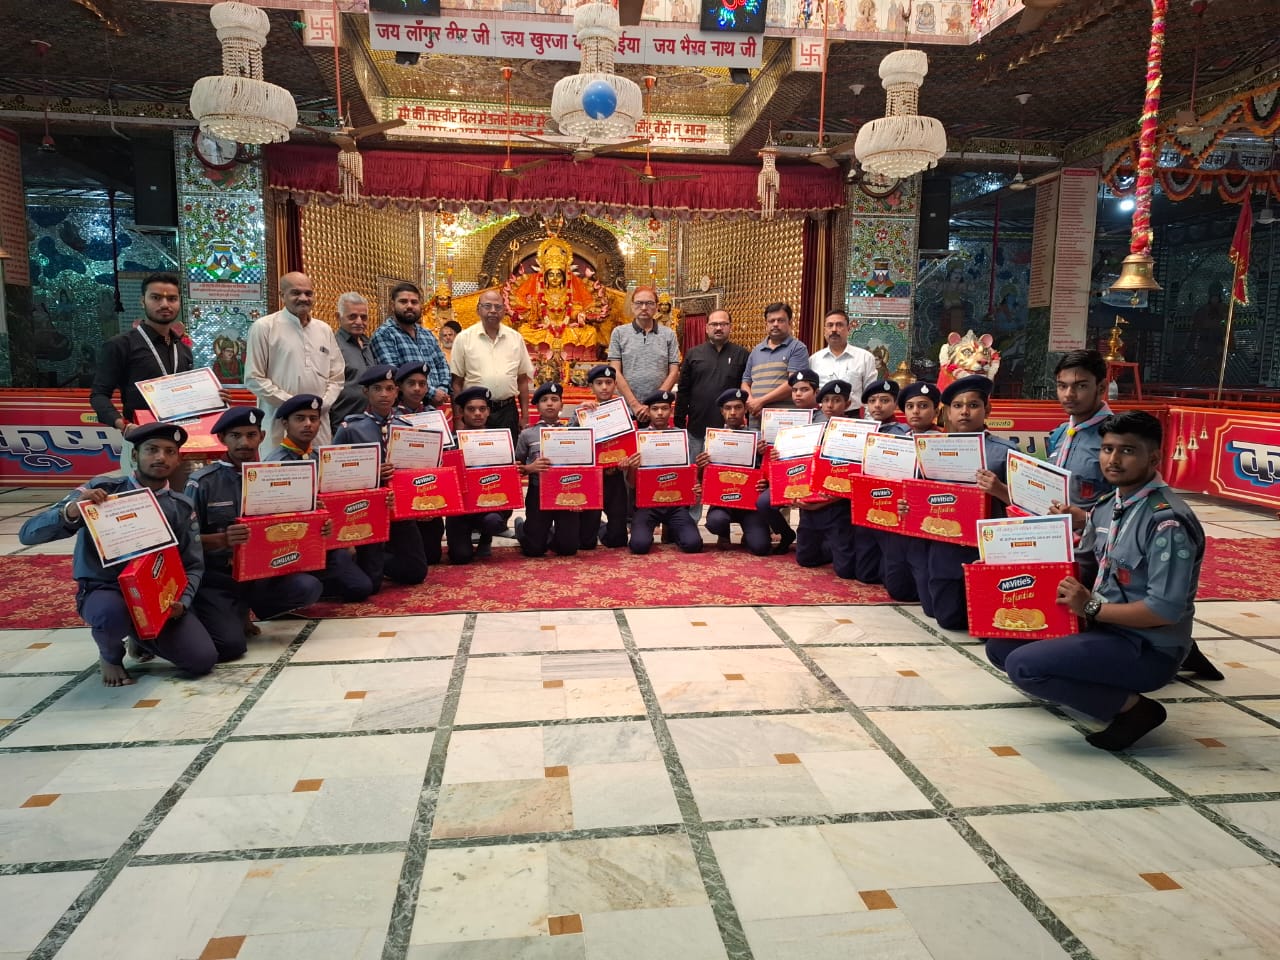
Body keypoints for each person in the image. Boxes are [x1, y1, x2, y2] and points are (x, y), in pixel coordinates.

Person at [988, 411, 1206, 751]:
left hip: (1147, 647)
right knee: (1001, 647)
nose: (1113, 459)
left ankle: (1135, 710)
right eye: (1107, 449)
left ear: (1153, 458)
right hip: (1103, 628)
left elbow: (1164, 610)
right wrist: (1003, 565)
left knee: (1024, 666)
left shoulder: (1167, 522)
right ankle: (1095, 683)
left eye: (1127, 451)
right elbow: (1083, 567)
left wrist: (1090, 607)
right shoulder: (1108, 506)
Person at [1046, 350, 1222, 680]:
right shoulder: (1060, 433)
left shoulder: (1118, 436)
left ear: (1102, 387)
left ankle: (1171, 650)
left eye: (1080, 386)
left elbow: (1127, 497)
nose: (1069, 394)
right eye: (1062, 386)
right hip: (1075, 541)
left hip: (1110, 546)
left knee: (1126, 598)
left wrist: (1087, 518)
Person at [19, 422, 219, 687]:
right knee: (111, 615)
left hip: (156, 596)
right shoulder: (101, 491)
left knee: (202, 659)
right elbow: (28, 534)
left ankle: (140, 635)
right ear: (134, 455)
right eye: (152, 449)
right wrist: (72, 511)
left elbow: (193, 564)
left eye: (170, 451)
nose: (161, 457)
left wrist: (182, 602)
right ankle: (111, 654)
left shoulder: (180, 506)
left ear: (178, 459)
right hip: (106, 589)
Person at [186, 407, 325, 653]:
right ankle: (208, 611)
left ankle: (249, 608)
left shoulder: (277, 475)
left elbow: (292, 524)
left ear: (262, 436)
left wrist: (319, 525)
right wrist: (222, 539)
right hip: (219, 577)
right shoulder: (202, 482)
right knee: (230, 647)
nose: (245, 443)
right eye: (236, 436)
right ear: (222, 438)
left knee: (308, 587)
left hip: (263, 572)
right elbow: (184, 541)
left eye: (251, 435)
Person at [906, 374, 1016, 630]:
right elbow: (921, 495)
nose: (965, 412)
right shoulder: (932, 448)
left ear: (987, 409)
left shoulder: (1004, 451)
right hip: (945, 545)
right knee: (946, 619)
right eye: (957, 406)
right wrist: (908, 506)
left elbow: (1028, 506)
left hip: (986, 547)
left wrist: (1000, 490)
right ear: (947, 412)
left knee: (986, 624)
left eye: (973, 405)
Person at [262, 395, 375, 603]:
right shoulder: (274, 464)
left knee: (362, 588)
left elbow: (338, 501)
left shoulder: (322, 458)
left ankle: (318, 580)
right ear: (285, 423)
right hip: (291, 546)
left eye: (313, 419)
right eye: (300, 418)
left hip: (325, 543)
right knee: (308, 586)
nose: (308, 424)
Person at [333, 365, 429, 590]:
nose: (384, 394)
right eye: (377, 389)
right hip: (367, 510)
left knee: (416, 572)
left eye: (389, 388)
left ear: (397, 392)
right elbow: (335, 474)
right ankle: (361, 561)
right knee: (372, 584)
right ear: (366, 392)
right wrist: (371, 473)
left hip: (399, 507)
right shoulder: (351, 428)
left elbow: (419, 469)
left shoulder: (406, 427)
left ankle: (379, 558)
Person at [90, 272, 195, 469]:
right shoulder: (121, 345)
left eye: (172, 299)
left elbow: (188, 396)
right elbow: (99, 395)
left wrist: (214, 398)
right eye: (156, 297)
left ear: (179, 302)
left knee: (184, 490)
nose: (165, 304)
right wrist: (123, 425)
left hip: (180, 442)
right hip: (141, 442)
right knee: (141, 490)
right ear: (142, 301)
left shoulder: (183, 349)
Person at [244, 272, 346, 447]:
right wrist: (292, 406)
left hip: (317, 422)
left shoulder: (324, 329)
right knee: (281, 464)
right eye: (296, 293)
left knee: (318, 463)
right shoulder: (264, 327)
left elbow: (337, 376)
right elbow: (254, 378)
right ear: (282, 295)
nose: (303, 298)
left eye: (308, 293)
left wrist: (320, 406)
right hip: (279, 422)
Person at [880, 382, 942, 606]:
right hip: (897, 523)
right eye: (910, 406)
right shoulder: (895, 440)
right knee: (897, 590)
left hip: (928, 525)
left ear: (936, 410)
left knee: (930, 600)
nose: (916, 411)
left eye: (923, 406)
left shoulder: (945, 442)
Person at [516, 382, 594, 557]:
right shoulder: (527, 434)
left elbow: (579, 420)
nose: (550, 403)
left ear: (561, 405)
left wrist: (582, 407)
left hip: (567, 491)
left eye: (554, 399)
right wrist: (530, 468)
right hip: (538, 492)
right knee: (534, 550)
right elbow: (515, 468)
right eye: (544, 400)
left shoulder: (570, 431)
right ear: (537, 407)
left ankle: (549, 533)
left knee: (568, 549)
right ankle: (521, 528)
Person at [449, 289, 535, 441]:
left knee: (508, 453)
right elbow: (456, 383)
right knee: (476, 453)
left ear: (504, 310)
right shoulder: (464, 339)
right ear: (478, 309)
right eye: (487, 306)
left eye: (498, 306)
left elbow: (522, 380)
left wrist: (525, 416)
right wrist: (457, 418)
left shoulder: (515, 338)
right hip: (475, 412)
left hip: (507, 411)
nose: (493, 310)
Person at [625, 390, 702, 555]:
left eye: (664, 408)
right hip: (647, 505)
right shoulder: (639, 438)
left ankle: (672, 530)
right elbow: (631, 483)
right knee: (638, 546)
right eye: (655, 409)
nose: (660, 413)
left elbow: (690, 474)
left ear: (671, 410)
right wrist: (632, 467)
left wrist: (695, 486)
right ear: (648, 411)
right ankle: (647, 533)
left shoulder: (682, 437)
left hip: (675, 505)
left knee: (693, 544)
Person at [794, 380, 857, 577]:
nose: (830, 405)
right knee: (805, 559)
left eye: (837, 400)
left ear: (847, 404)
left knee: (845, 570)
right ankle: (831, 546)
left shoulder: (856, 432)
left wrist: (828, 500)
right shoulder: (811, 430)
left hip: (838, 506)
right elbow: (797, 464)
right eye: (826, 400)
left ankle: (842, 545)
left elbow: (855, 475)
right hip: (811, 504)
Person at [698, 388, 770, 556]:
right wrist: (701, 466)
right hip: (722, 501)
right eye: (728, 408)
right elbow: (704, 478)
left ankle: (749, 533)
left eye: (738, 407)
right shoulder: (713, 438)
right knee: (716, 521)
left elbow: (769, 471)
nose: (733, 412)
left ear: (745, 409)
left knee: (761, 548)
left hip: (750, 503)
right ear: (722, 411)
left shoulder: (759, 438)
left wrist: (763, 457)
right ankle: (723, 533)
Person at [756, 368, 821, 555]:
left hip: (812, 479)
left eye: (804, 389)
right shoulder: (783, 418)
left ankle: (812, 539)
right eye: (795, 390)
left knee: (808, 553)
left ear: (816, 392)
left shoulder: (823, 418)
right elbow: (775, 453)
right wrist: (767, 451)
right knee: (763, 502)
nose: (798, 394)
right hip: (787, 476)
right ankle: (786, 533)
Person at [851, 379, 908, 584]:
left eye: (884, 400)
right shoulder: (859, 431)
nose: (877, 405)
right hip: (865, 504)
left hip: (892, 505)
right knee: (864, 574)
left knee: (890, 577)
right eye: (872, 401)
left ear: (895, 404)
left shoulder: (905, 433)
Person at [674, 308, 750, 461]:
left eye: (723, 324)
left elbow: (747, 390)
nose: (718, 328)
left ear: (730, 327)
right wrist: (679, 422)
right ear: (706, 328)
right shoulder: (693, 354)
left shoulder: (742, 354)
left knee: (724, 471)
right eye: (714, 324)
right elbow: (683, 390)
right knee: (696, 471)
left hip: (730, 431)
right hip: (697, 429)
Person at [447, 386, 512, 564]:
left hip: (488, 504)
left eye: (482, 409)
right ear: (461, 412)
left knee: (494, 521)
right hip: (461, 509)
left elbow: (507, 477)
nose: (477, 413)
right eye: (471, 409)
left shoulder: (500, 439)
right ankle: (465, 536)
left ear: (488, 411)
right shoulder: (451, 442)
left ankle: (485, 538)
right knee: (460, 557)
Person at [370, 282, 452, 410]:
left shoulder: (427, 334)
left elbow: (442, 365)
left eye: (414, 302)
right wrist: (431, 393)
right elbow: (394, 373)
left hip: (434, 407)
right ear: (392, 305)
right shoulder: (384, 334)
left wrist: (442, 389)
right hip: (403, 410)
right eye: (403, 301)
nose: (409, 306)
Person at [607, 285, 681, 425]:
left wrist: (653, 403)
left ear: (657, 306)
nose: (644, 307)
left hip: (659, 410)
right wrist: (634, 405)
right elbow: (615, 371)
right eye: (639, 303)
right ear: (632, 305)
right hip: (627, 408)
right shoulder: (619, 333)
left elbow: (674, 372)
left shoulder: (668, 334)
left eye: (649, 303)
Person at [575, 364, 630, 549]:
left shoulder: (624, 412)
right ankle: (593, 525)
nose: (604, 387)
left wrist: (628, 460)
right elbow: (568, 437)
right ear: (591, 387)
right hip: (592, 478)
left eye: (608, 382)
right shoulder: (583, 411)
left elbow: (630, 443)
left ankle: (602, 528)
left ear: (615, 385)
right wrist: (580, 412)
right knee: (585, 543)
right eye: (599, 383)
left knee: (618, 541)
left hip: (615, 476)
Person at [742, 302, 810, 424]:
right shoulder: (756, 351)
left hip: (784, 420)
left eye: (780, 320)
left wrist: (761, 401)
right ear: (766, 324)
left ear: (790, 323)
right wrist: (751, 402)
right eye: (771, 321)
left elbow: (794, 383)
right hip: (756, 419)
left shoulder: (798, 348)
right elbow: (745, 383)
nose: (775, 324)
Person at [809, 309, 878, 395]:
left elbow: (871, 394)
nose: (834, 329)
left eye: (839, 325)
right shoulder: (814, 360)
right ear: (824, 331)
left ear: (848, 329)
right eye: (830, 325)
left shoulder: (865, 358)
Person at [332, 291, 375, 430]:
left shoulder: (368, 344)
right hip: (343, 425)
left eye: (363, 317)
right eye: (352, 316)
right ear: (338, 317)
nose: (359, 322)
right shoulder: (332, 345)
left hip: (370, 423)